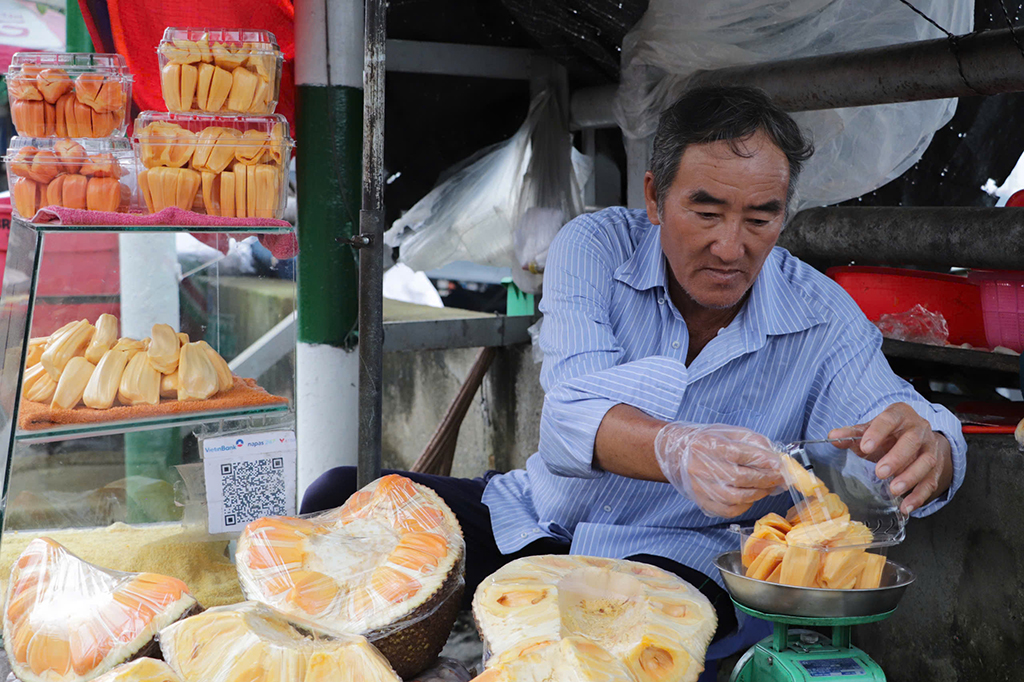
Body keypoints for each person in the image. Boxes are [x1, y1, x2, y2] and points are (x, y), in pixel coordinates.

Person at [301, 85, 966, 678]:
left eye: (759, 217)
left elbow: (888, 415)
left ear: (784, 214)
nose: (731, 246)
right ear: (654, 197)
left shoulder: (822, 315)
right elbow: (572, 414)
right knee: (337, 504)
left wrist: (928, 447)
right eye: (705, 212)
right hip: (533, 520)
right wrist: (676, 449)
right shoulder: (594, 247)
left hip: (678, 557)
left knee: (614, 653)